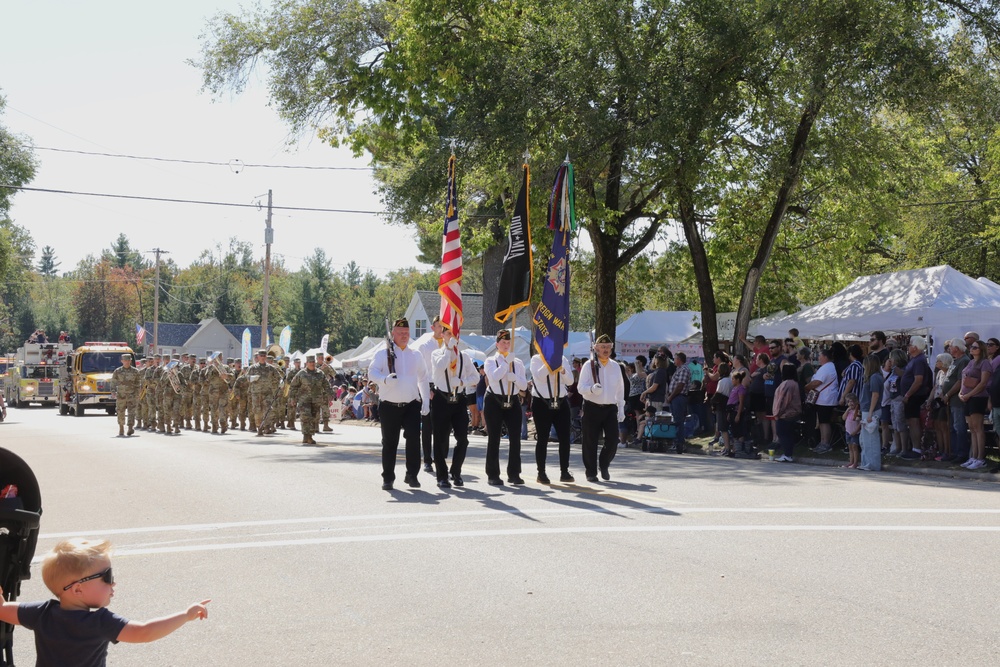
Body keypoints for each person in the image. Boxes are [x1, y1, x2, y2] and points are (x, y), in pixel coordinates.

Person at [0, 538, 209, 666]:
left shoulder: (41, 613)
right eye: (107, 577)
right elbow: (144, 632)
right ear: (78, 589)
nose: (113, 583)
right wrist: (185, 615)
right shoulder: (100, 622)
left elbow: (1, 610)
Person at [369, 318, 430, 490]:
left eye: (407, 333)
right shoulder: (382, 354)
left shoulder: (415, 354)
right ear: (392, 333)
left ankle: (412, 475)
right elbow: (372, 373)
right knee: (389, 442)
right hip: (389, 405)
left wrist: (425, 400)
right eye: (401, 333)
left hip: (411, 404)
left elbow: (423, 378)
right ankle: (388, 477)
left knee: (413, 440)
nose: (404, 336)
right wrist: (385, 380)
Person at [430, 327, 479, 487]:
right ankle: (441, 476)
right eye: (449, 333)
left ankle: (456, 471)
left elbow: (476, 377)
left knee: (463, 440)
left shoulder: (464, 357)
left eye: (454, 333)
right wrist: (449, 348)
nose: (452, 337)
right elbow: (440, 366)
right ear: (442, 335)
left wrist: (463, 382)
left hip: (458, 400)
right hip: (441, 400)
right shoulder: (437, 353)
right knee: (440, 440)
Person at [578, 334, 626, 482]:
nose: (605, 350)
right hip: (592, 407)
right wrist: (591, 389)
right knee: (590, 441)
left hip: (610, 407)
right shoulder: (589, 365)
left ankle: (604, 464)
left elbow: (620, 388)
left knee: (612, 440)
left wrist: (621, 407)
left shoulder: (615, 366)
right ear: (596, 349)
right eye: (602, 347)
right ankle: (591, 472)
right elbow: (581, 387)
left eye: (608, 347)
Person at [483, 330, 528, 485]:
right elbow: (494, 377)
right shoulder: (490, 361)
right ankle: (493, 474)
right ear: (497, 344)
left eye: (508, 343)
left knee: (515, 439)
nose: (506, 345)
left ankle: (514, 473)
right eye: (503, 343)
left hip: (513, 400)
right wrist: (505, 364)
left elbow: (523, 385)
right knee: (494, 438)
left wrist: (514, 377)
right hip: (494, 400)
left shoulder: (518, 363)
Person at [529, 348, 576, 484]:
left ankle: (564, 471)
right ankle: (541, 472)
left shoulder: (563, 359)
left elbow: (570, 381)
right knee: (543, 438)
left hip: (561, 401)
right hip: (542, 403)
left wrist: (562, 370)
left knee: (565, 438)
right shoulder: (536, 359)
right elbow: (540, 377)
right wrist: (550, 362)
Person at [412, 315, 446, 473]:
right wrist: (426, 390)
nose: (442, 329)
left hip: (445, 388)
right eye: (439, 326)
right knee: (427, 426)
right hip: (429, 387)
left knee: (444, 426)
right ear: (433, 327)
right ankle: (427, 459)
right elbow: (421, 372)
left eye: (444, 326)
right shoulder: (424, 346)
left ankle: (442, 457)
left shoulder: (449, 344)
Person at [958, 339, 992, 470]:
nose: (972, 349)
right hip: (967, 398)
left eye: (975, 347)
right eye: (971, 347)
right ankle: (973, 456)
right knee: (971, 428)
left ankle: (980, 458)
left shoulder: (984, 363)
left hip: (977, 398)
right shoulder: (971, 362)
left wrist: (969, 394)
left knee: (978, 428)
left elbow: (983, 383)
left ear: (981, 350)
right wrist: (961, 393)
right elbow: (964, 379)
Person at [899, 336, 932, 459]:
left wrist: (908, 394)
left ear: (915, 347)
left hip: (915, 396)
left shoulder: (919, 360)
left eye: (910, 344)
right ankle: (914, 447)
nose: (908, 346)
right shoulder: (914, 359)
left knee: (914, 422)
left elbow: (918, 381)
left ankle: (917, 449)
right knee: (911, 422)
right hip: (912, 396)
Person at [289, 355, 332, 445]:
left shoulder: (320, 373)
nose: (312, 364)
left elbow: (326, 385)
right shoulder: (301, 373)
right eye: (310, 362)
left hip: (316, 400)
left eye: (313, 362)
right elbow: (293, 386)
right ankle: (307, 436)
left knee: (314, 418)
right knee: (305, 417)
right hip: (304, 400)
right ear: (307, 363)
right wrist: (292, 398)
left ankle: (309, 435)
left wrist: (330, 394)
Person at [803, 348, 839, 454]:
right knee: (822, 422)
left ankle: (825, 443)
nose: (818, 358)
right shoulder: (828, 367)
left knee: (824, 422)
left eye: (820, 356)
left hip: (826, 400)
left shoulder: (827, 367)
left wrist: (806, 387)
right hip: (824, 399)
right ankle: (823, 442)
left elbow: (817, 382)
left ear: (825, 357)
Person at [940, 340, 970, 463]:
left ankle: (962, 453)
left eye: (951, 347)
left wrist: (948, 394)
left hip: (957, 400)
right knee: (952, 427)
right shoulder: (955, 361)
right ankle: (954, 452)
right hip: (950, 400)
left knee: (959, 427)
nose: (949, 348)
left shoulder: (964, 361)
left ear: (957, 348)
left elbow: (959, 381)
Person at [771, 363, 801, 462]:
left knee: (782, 433)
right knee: (788, 434)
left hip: (786, 414)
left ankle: (787, 454)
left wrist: (778, 413)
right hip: (792, 413)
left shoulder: (787, 384)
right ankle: (788, 453)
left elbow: (783, 400)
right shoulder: (794, 383)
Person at [859, 353, 883, 471]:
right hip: (867, 409)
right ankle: (866, 462)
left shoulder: (874, 377)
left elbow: (875, 395)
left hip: (870, 410)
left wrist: (870, 413)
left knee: (871, 439)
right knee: (865, 439)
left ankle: (872, 464)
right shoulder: (874, 376)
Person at [664, 351, 691, 452]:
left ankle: (679, 443)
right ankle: (676, 442)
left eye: (675, 359)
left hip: (679, 397)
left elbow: (680, 385)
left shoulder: (684, 369)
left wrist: (671, 397)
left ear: (679, 360)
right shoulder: (678, 369)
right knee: (675, 420)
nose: (674, 361)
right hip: (675, 397)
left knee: (678, 421)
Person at [927, 353, 952, 461]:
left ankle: (947, 451)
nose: (937, 363)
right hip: (936, 401)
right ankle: (940, 450)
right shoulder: (939, 373)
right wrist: (929, 400)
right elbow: (935, 387)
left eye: (939, 361)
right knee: (937, 426)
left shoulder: (949, 373)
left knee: (944, 427)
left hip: (944, 402)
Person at [110, 353, 141, 437]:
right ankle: (121, 428)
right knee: (120, 411)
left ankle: (130, 427)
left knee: (131, 412)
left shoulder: (135, 371)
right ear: (122, 361)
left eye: (128, 360)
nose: (127, 362)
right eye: (125, 360)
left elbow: (138, 383)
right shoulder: (117, 371)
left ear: (130, 361)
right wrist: (113, 391)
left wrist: (138, 393)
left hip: (132, 395)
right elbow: (113, 382)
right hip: (121, 395)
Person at [842, 392, 862, 469]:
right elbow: (843, 418)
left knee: (854, 447)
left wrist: (856, 431)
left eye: (852, 401)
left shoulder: (858, 411)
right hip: (848, 431)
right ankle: (851, 461)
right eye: (848, 402)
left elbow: (859, 422)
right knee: (850, 447)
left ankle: (855, 462)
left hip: (855, 431)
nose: (850, 403)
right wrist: (847, 410)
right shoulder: (849, 411)